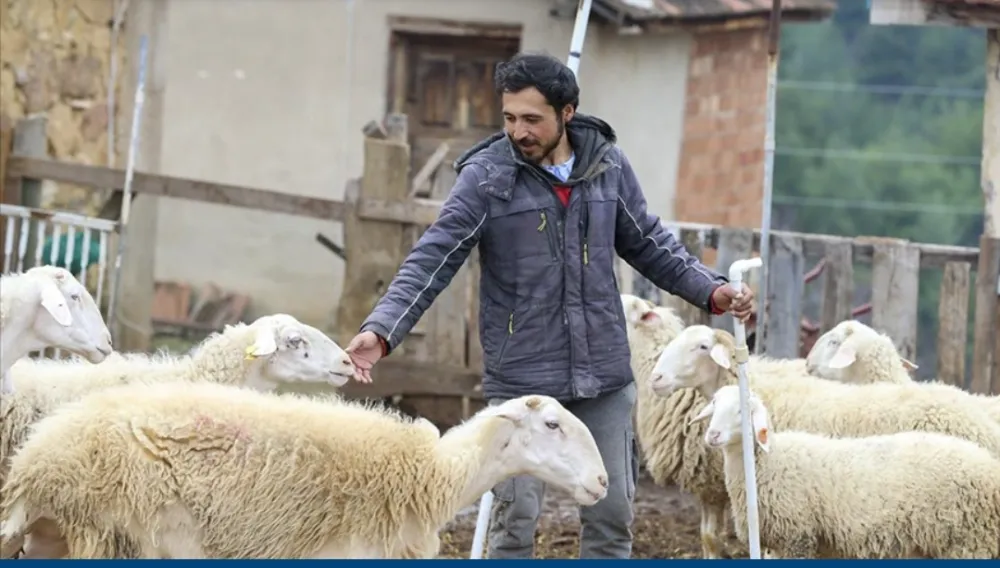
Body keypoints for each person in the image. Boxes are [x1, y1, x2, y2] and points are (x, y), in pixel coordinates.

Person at [344, 52, 755, 559]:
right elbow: (435, 255)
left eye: (532, 119)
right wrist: (383, 329)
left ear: (567, 113)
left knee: (612, 515)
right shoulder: (487, 177)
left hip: (602, 374)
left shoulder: (606, 165)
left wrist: (711, 290)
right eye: (509, 118)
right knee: (513, 523)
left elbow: (648, 241)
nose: (518, 131)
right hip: (523, 382)